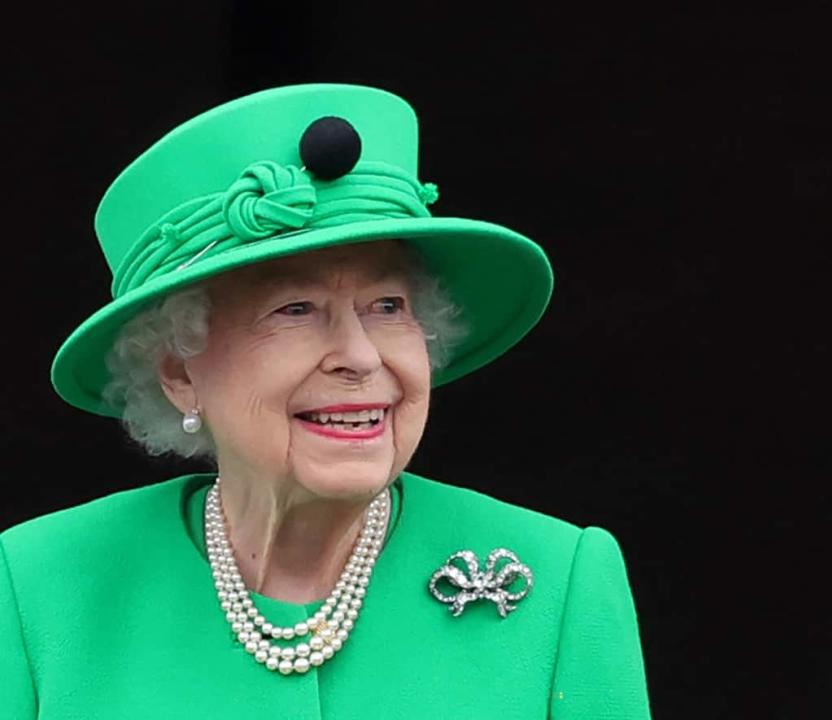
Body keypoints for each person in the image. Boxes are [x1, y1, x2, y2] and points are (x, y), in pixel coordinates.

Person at [0, 83, 652, 718]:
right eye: (295, 309)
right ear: (178, 371)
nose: (362, 355)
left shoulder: (561, 580)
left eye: (388, 306)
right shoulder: (32, 589)